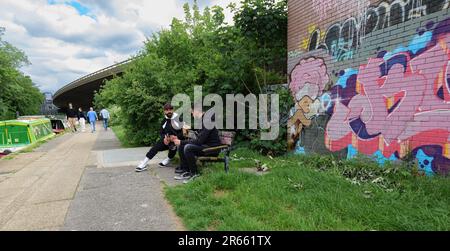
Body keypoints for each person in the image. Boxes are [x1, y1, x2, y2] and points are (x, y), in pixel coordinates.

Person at [172, 105, 221, 184]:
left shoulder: (207, 121)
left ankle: (194, 173)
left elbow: (199, 141)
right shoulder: (203, 120)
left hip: (212, 149)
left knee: (188, 147)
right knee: (182, 146)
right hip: (205, 146)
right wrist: (182, 140)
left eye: (192, 111)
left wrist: (181, 142)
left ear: (197, 111)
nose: (191, 113)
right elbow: (199, 137)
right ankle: (186, 170)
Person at [135, 103, 185, 172]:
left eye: (170, 109)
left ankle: (168, 160)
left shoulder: (179, 119)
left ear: (173, 110)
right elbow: (161, 132)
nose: (169, 111)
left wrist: (176, 137)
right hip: (167, 140)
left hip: (178, 140)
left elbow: (184, 133)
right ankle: (144, 163)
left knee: (173, 147)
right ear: (164, 111)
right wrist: (164, 138)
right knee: (155, 147)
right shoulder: (164, 120)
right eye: (167, 110)